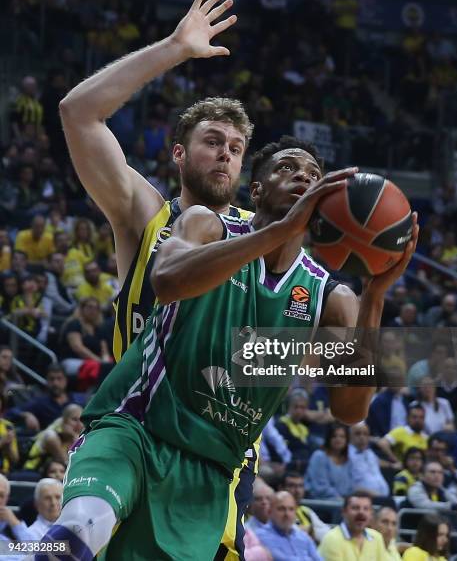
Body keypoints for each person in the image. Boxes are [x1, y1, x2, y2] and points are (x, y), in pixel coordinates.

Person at [37, 137, 418, 558]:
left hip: (210, 470)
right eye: (287, 168)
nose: (303, 178)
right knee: (76, 532)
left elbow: (350, 409)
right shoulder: (207, 224)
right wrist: (281, 230)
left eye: (313, 175)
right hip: (138, 426)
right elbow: (166, 280)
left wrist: (376, 295)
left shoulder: (331, 297)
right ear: (256, 191)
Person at [59, 0, 255, 561]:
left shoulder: (264, 242)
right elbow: (78, 113)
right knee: (68, 540)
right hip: (133, 427)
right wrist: (174, 48)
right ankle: (17, 550)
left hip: (214, 466)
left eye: (236, 148)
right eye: (212, 141)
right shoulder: (148, 215)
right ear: (177, 153)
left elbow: (335, 354)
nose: (225, 154)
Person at [255, 491, 322, 560]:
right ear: (270, 512)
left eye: (291, 509)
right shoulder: (261, 536)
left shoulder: (303, 537)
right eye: (281, 509)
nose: (287, 514)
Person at [319, 492, 386, 560]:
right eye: (355, 508)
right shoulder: (332, 539)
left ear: (371, 514)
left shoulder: (377, 537)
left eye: (366, 509)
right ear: (344, 512)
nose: (361, 512)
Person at [304, 423, 353, 499]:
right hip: (321, 503)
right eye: (334, 436)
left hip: (342, 503)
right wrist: (340, 499)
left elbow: (350, 487)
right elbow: (319, 487)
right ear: (328, 438)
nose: (338, 439)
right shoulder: (319, 456)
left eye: (342, 437)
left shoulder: (349, 460)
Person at [281, 471, 330, 545]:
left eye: (300, 486)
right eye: (292, 486)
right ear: (281, 488)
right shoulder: (276, 512)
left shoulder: (306, 511)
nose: (297, 490)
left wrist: (311, 530)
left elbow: (328, 534)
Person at [349, 422, 389, 498]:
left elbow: (379, 462)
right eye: (357, 434)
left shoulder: (369, 453)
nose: (362, 437)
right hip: (362, 499)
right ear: (350, 436)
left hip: (382, 497)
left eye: (365, 434)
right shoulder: (346, 455)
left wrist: (392, 465)